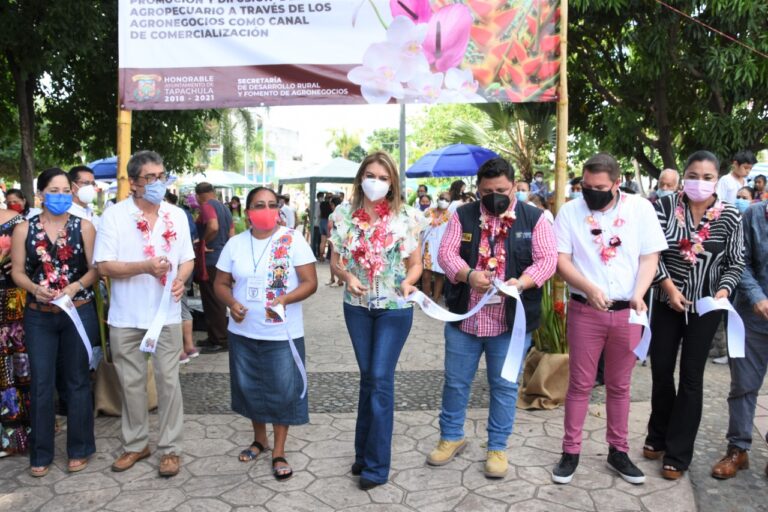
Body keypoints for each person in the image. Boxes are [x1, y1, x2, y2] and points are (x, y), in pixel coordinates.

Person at [430, 157, 557, 479]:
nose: (495, 195)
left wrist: (522, 282)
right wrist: (467, 274)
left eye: (501, 189)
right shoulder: (463, 215)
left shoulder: (535, 218)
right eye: (488, 191)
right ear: (478, 189)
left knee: (504, 385)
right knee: (456, 383)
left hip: (509, 323)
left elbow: (547, 261)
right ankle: (451, 436)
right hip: (465, 318)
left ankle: (497, 447)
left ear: (513, 186)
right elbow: (446, 254)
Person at [552, 153, 667, 485]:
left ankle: (618, 451)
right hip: (586, 310)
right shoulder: (571, 211)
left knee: (620, 386)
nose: (591, 193)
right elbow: (562, 259)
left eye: (600, 187)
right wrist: (587, 287)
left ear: (617, 184)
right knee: (580, 384)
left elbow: (650, 256)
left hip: (627, 313)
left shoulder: (640, 209)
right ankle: (570, 451)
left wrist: (640, 292)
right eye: (586, 186)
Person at [642, 150, 745, 480]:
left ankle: (678, 451)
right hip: (666, 300)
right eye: (693, 175)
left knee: (690, 377)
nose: (699, 182)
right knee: (660, 369)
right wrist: (668, 288)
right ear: (683, 176)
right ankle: (658, 434)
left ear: (717, 180)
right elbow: (652, 252)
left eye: (707, 177)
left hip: (706, 306)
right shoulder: (664, 207)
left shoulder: (730, 216)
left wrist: (724, 290)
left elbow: (735, 261)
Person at [94, 150, 195, 478]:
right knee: (131, 384)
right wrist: (145, 267)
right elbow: (104, 265)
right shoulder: (114, 216)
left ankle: (170, 449)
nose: (157, 184)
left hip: (166, 315)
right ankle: (136, 444)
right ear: (133, 183)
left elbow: (187, 259)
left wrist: (180, 279)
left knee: (169, 382)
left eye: (161, 176)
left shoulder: (176, 215)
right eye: (149, 178)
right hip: (126, 317)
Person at [329, 151, 424, 490]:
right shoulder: (343, 214)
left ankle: (376, 466)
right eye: (371, 175)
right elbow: (335, 260)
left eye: (384, 178)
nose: (376, 182)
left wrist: (409, 281)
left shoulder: (408, 216)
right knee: (368, 378)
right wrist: (345, 276)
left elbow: (416, 264)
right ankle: (363, 452)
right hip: (356, 306)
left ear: (393, 182)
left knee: (381, 378)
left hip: (395, 309)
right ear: (360, 178)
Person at [214, 186, 317, 481]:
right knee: (250, 387)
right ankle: (260, 439)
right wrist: (232, 303)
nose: (267, 210)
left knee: (283, 390)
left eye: (273, 204)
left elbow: (310, 282)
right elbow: (220, 284)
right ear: (248, 212)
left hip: (282, 332)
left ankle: (279, 450)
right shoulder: (234, 244)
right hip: (244, 331)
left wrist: (285, 299)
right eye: (259, 205)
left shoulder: (292, 240)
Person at [11, 168, 99, 477]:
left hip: (78, 311)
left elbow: (94, 270)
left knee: (76, 381)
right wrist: (35, 289)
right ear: (41, 194)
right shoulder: (24, 228)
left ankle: (80, 448)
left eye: (65, 190)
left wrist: (75, 287)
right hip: (39, 316)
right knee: (42, 383)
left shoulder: (84, 227)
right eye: (54, 190)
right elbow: (17, 271)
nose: (61, 196)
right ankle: (41, 452)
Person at [710, 197, 768, 480]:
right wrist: (757, 297)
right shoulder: (753, 216)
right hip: (753, 315)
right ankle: (738, 449)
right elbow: (739, 262)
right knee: (743, 385)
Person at [0, 206, 29, 459]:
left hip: (12, 303)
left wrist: (21, 265)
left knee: (18, 367)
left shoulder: (19, 222)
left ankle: (22, 433)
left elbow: (34, 260)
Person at [195, 181, 234, 354]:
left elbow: (213, 226)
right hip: (223, 257)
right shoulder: (225, 208)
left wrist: (203, 241)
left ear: (198, 196)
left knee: (212, 300)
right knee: (216, 299)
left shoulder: (206, 206)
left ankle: (220, 339)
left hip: (210, 259)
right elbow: (231, 233)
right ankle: (214, 336)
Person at [164, 191, 200, 364]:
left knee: (178, 305)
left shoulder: (177, 215)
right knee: (182, 305)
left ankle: (181, 349)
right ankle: (188, 347)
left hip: (177, 269)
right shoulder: (184, 214)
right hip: (181, 268)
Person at [421, 192, 451, 300]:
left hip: (441, 247)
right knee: (426, 276)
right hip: (428, 246)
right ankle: (425, 300)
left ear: (450, 202)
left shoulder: (451, 216)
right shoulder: (428, 212)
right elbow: (420, 226)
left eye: (447, 200)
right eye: (442, 198)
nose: (444, 201)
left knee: (439, 275)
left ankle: (435, 300)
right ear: (438, 198)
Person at [67, 165, 100, 230]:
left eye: (93, 184)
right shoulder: (66, 215)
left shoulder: (93, 214)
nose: (91, 187)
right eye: (86, 183)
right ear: (72, 186)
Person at [318, 193, 333, 262]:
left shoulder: (322, 204)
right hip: (328, 221)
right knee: (331, 240)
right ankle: (331, 257)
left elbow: (320, 213)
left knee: (322, 241)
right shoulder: (331, 204)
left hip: (322, 221)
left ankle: (321, 257)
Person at [311, 191, 324, 258]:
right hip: (316, 224)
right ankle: (314, 253)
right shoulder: (316, 204)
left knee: (318, 240)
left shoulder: (321, 204)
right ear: (318, 197)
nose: (322, 198)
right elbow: (317, 214)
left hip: (318, 224)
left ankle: (318, 253)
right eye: (321, 197)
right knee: (316, 240)